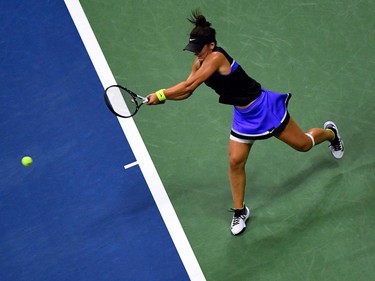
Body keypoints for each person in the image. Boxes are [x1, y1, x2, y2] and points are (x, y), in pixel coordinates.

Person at [146, 11, 344, 236]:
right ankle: (240, 211)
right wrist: (162, 100)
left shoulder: (216, 58)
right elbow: (186, 90)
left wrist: (161, 94)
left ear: (211, 45)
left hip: (264, 109)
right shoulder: (200, 60)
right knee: (235, 162)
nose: (196, 54)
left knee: (303, 145)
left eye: (199, 49)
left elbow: (189, 87)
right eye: (194, 50)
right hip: (243, 117)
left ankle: (330, 133)